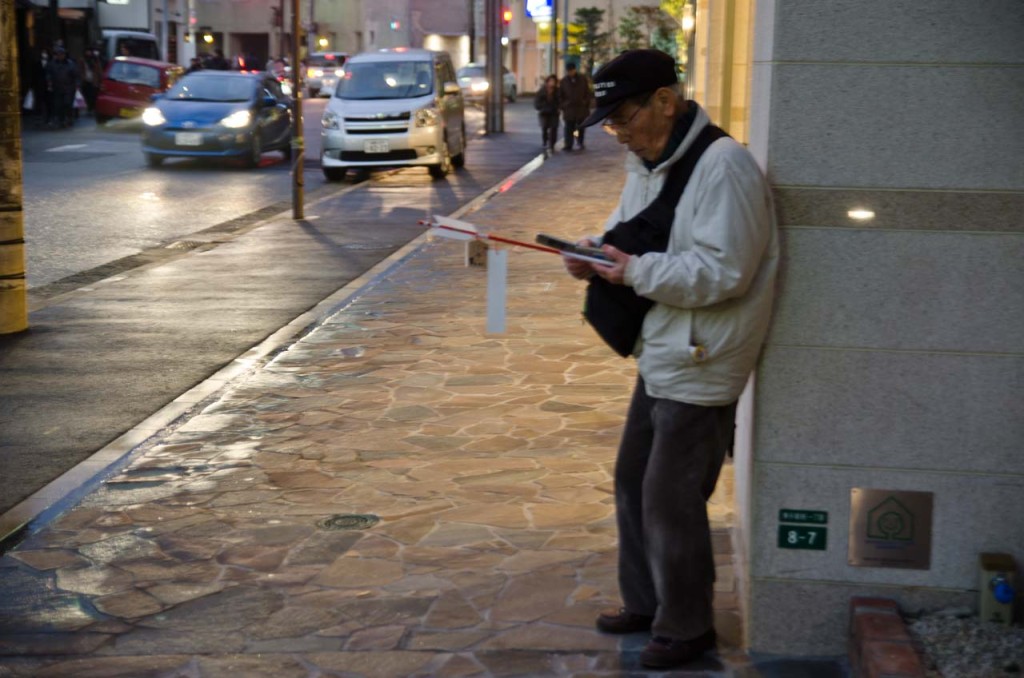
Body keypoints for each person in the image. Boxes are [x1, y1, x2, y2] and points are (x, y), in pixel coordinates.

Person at [560, 49, 778, 669]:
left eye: (625, 116)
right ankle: (648, 602)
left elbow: (726, 271)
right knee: (633, 480)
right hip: (667, 345)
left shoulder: (724, 167)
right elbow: (629, 225)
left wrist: (633, 272)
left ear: (666, 99)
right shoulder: (650, 160)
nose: (620, 132)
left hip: (704, 353)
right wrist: (594, 251)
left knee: (671, 497)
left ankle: (687, 627)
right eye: (611, 122)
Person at [558, 61, 592, 151]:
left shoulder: (582, 79)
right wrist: (563, 105)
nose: (570, 72)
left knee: (581, 127)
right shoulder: (564, 81)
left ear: (574, 70)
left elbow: (587, 92)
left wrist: (585, 102)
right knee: (569, 128)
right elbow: (560, 95)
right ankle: (568, 145)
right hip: (569, 109)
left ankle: (580, 142)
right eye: (568, 71)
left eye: (571, 70)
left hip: (581, 108)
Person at [45, 47, 79, 128]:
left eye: (62, 54)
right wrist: (49, 81)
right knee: (58, 105)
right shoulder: (52, 64)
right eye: (58, 54)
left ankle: (69, 118)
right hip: (57, 87)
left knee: (67, 103)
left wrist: (77, 85)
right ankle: (61, 120)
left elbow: (76, 75)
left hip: (68, 87)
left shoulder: (70, 64)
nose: (60, 56)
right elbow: (48, 73)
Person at [533, 74, 560, 153]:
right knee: (544, 128)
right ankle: (545, 141)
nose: (552, 83)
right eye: (550, 81)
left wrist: (559, 107)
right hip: (544, 112)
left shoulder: (557, 91)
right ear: (547, 82)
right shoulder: (542, 91)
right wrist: (541, 107)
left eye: (553, 81)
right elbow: (537, 102)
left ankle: (552, 144)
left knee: (554, 128)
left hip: (554, 112)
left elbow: (560, 100)